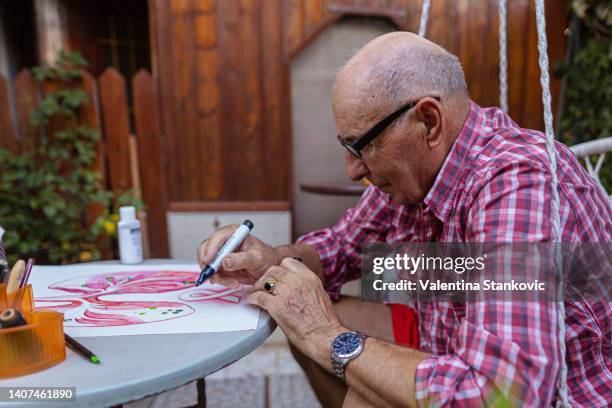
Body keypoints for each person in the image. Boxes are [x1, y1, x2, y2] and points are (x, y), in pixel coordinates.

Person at [197, 32, 611, 407]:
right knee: (307, 326)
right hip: (451, 333)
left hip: (560, 390)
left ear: (428, 122)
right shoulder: (417, 171)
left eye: (361, 146)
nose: (351, 170)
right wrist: (273, 258)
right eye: (344, 145)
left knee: (329, 344)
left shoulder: (518, 184)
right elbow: (340, 248)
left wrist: (326, 336)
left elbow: (502, 395)